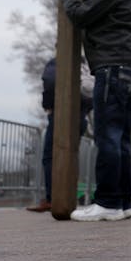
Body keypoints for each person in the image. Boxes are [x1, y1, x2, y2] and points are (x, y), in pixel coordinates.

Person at [56, 0, 131, 221]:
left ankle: (107, 202)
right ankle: (121, 203)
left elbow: (82, 15)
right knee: (119, 138)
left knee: (107, 136)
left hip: (114, 67)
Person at [26, 57, 92, 213]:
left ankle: (52, 198)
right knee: (72, 156)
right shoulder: (84, 65)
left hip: (61, 114)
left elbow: (49, 82)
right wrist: (84, 109)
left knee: (50, 157)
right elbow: (91, 91)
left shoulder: (58, 62)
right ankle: (70, 197)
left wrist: (48, 105)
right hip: (80, 116)